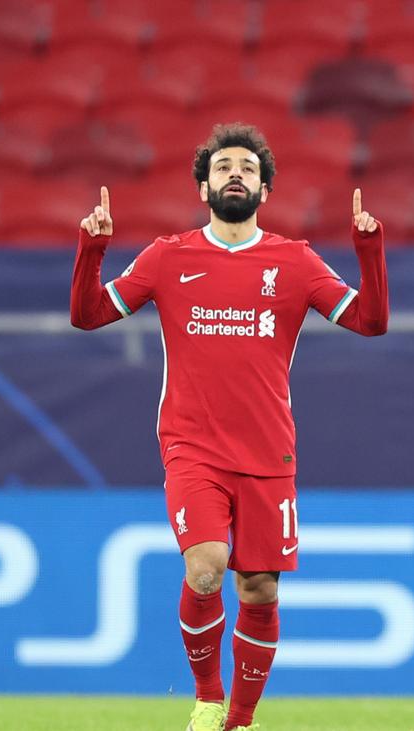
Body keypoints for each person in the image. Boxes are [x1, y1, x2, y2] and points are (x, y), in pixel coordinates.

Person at [69, 123, 388, 731]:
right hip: (192, 445)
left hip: (268, 451)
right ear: (203, 188)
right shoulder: (168, 256)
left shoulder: (295, 261)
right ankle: (208, 699)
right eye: (222, 167)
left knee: (260, 589)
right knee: (206, 566)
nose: (234, 174)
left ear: (264, 190)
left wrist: (368, 251)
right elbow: (88, 315)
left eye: (247, 168)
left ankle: (240, 720)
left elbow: (370, 322)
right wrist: (93, 248)